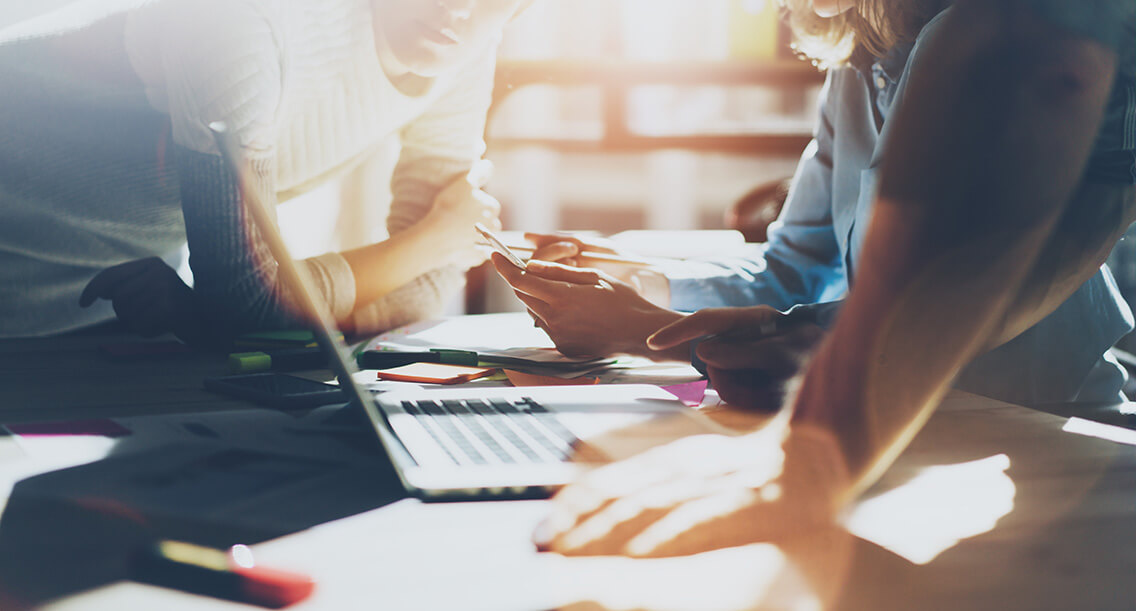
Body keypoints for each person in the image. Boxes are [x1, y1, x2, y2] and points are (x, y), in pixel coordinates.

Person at [491, 0, 1136, 556]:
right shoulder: (858, 69)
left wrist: (655, 331)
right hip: (924, 436)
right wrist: (641, 283)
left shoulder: (1009, 36)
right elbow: (795, 266)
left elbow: (949, 296)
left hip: (1044, 427)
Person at [0, 0, 529, 343]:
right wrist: (436, 238)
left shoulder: (459, 48)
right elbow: (246, 301)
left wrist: (219, 318)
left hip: (101, 299)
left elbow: (420, 294)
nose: (459, 7)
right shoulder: (244, 17)